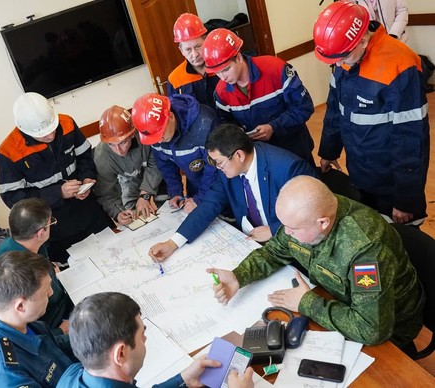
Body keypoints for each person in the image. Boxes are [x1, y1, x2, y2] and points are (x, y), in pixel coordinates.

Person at [208, 176, 424, 355]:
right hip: (337, 301)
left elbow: (371, 329)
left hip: (390, 330)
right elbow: (274, 251)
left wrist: (307, 303)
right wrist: (238, 276)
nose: (286, 233)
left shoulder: (366, 253)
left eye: (292, 228)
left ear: (323, 223)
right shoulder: (307, 215)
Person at [313, 1, 430, 225]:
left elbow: (412, 140)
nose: (338, 64)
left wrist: (406, 200)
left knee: (403, 244)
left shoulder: (400, 64)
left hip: (391, 180)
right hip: (360, 170)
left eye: (342, 58)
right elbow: (335, 110)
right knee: (372, 228)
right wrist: (329, 151)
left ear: (363, 40)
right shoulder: (344, 57)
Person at [149, 123, 316, 262]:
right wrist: (173, 243)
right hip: (251, 244)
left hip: (289, 247)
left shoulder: (289, 169)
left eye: (219, 162)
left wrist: (274, 230)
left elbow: (313, 212)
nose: (217, 167)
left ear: (239, 155)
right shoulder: (229, 171)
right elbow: (209, 205)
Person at [0, 92, 114, 262]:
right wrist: (58, 193)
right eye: (43, 135)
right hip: (55, 229)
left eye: (52, 129)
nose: (50, 136)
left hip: (89, 210)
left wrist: (87, 178)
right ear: (24, 129)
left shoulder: (67, 123)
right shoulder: (9, 152)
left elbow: (85, 156)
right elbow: (15, 200)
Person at [57, 292, 255, 388]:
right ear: (121, 353)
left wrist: (183, 379)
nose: (145, 338)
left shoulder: (72, 375)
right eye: (142, 333)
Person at [202, 28, 316, 166]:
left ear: (238, 57)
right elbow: (226, 124)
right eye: (217, 73)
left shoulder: (276, 69)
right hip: (259, 159)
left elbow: (304, 107)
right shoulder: (221, 92)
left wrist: (274, 127)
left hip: (295, 150)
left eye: (226, 69)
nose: (223, 77)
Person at [0, 251, 78, 387]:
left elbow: (48, 346)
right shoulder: (4, 377)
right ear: (20, 306)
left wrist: (91, 336)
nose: (51, 292)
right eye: (46, 290)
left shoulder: (1, 317)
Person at [0, 197, 74, 335]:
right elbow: (22, 332)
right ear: (40, 233)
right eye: (50, 223)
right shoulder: (18, 272)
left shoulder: (20, 242)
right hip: (54, 325)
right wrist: (60, 332)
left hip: (61, 302)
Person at [132, 93, 218, 213]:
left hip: (219, 187)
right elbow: (165, 165)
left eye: (160, 135)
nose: (159, 141)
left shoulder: (205, 122)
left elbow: (214, 167)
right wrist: (175, 192)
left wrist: (200, 198)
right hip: (194, 186)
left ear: (171, 117)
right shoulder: (155, 133)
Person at [93, 105, 164, 225]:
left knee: (167, 208)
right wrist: (117, 213)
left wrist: (145, 195)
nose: (118, 151)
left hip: (157, 175)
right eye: (111, 145)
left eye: (122, 143)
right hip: (127, 184)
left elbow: (156, 165)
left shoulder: (145, 135)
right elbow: (106, 193)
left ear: (132, 134)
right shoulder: (101, 156)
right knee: (134, 218)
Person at [167, 13, 219, 110]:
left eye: (198, 46)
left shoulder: (223, 66)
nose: (195, 54)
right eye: (188, 50)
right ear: (181, 51)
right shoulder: (175, 80)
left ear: (206, 42)